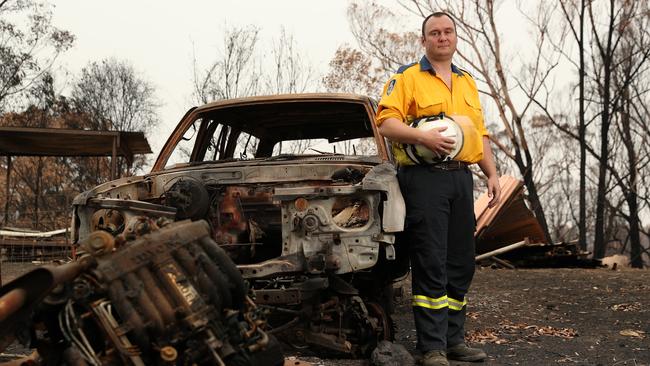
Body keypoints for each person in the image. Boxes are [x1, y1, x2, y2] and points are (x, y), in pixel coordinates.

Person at [375, 12, 501, 366]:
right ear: (424, 40)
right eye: (434, 33)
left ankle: (454, 339)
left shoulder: (467, 81)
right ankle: (432, 347)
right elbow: (386, 123)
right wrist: (422, 136)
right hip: (424, 179)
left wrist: (490, 173)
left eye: (448, 32)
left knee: (461, 262)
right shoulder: (407, 77)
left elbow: (480, 134)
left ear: (455, 37)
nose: (442, 37)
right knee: (431, 260)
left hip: (462, 177)